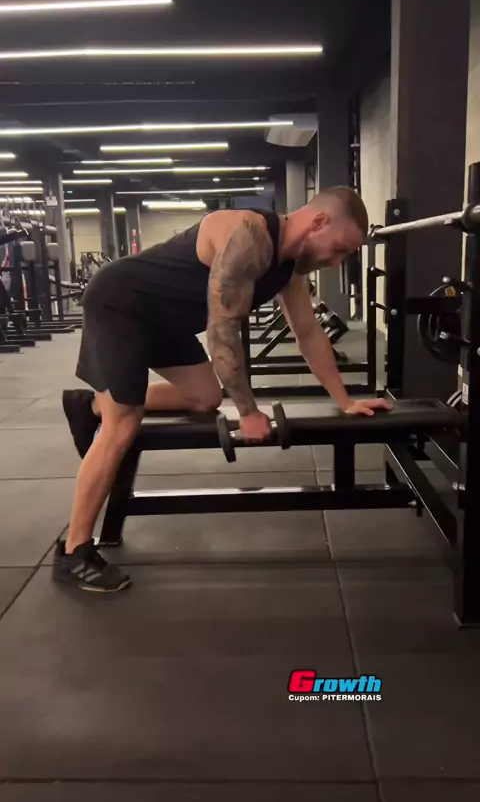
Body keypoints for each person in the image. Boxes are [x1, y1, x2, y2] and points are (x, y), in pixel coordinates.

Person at [55, 186, 392, 593]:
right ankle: (74, 551)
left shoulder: (289, 268)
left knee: (205, 398)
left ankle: (92, 406)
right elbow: (223, 330)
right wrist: (248, 411)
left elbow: (308, 332)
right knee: (123, 423)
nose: (336, 262)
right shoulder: (247, 234)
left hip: (166, 322)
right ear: (318, 222)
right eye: (338, 249)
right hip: (122, 305)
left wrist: (345, 400)